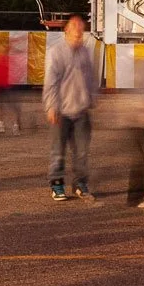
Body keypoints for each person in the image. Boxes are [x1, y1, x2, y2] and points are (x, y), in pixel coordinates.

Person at [44, 14, 97, 201]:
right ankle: (57, 184)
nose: (78, 29)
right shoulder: (56, 52)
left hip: (81, 110)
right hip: (61, 110)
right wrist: (51, 106)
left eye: (81, 25)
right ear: (66, 29)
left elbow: (91, 78)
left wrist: (92, 99)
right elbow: (51, 81)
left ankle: (80, 183)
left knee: (82, 151)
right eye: (74, 25)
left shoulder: (85, 52)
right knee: (58, 150)